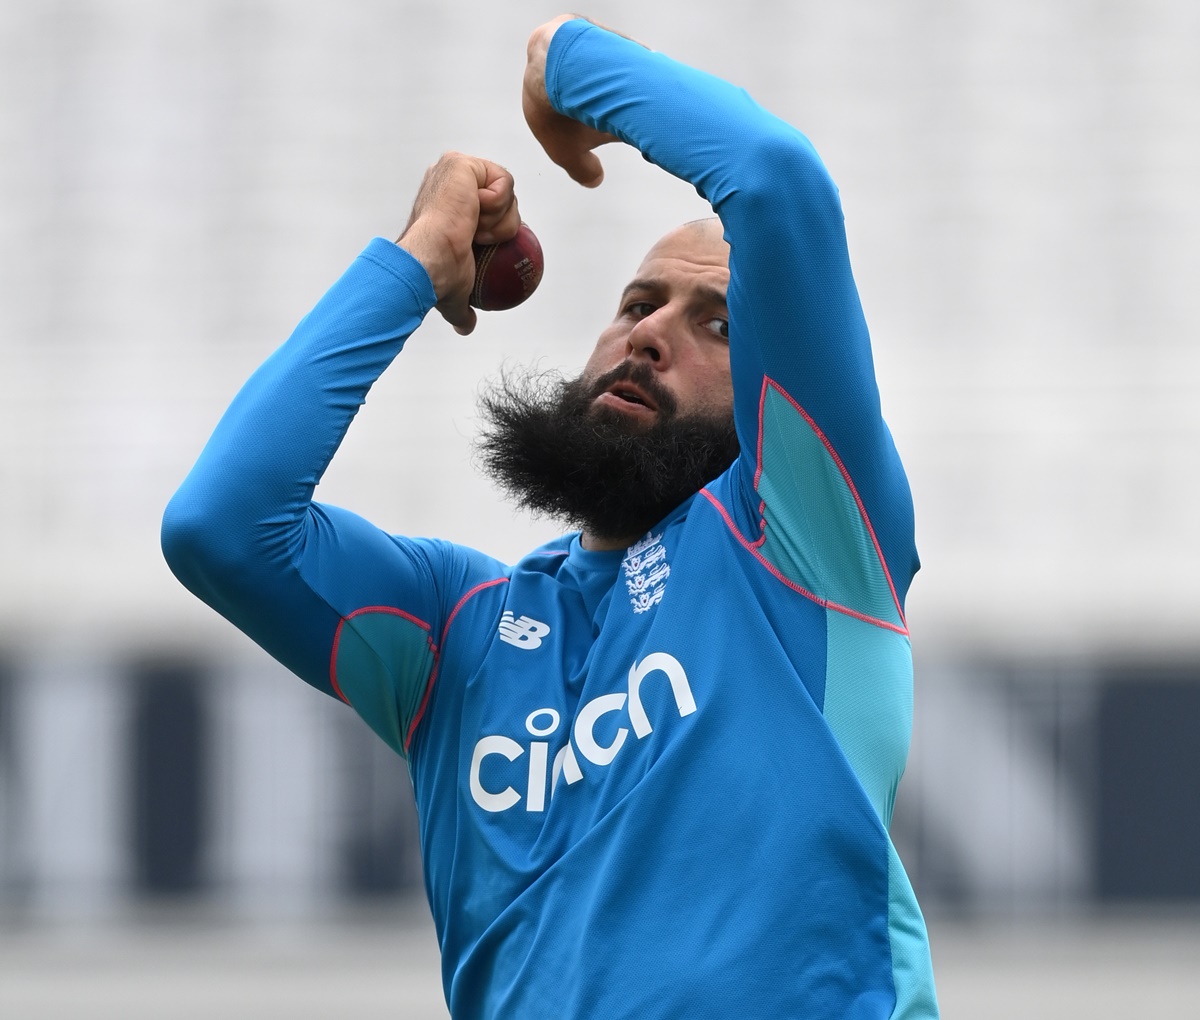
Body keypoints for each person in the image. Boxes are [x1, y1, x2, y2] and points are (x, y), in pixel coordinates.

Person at [162, 14, 938, 1020]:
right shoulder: (460, 630)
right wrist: (414, 264)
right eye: (636, 302)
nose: (651, 334)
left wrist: (563, 65)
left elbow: (772, 176)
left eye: (717, 323)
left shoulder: (803, 539)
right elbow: (221, 527)